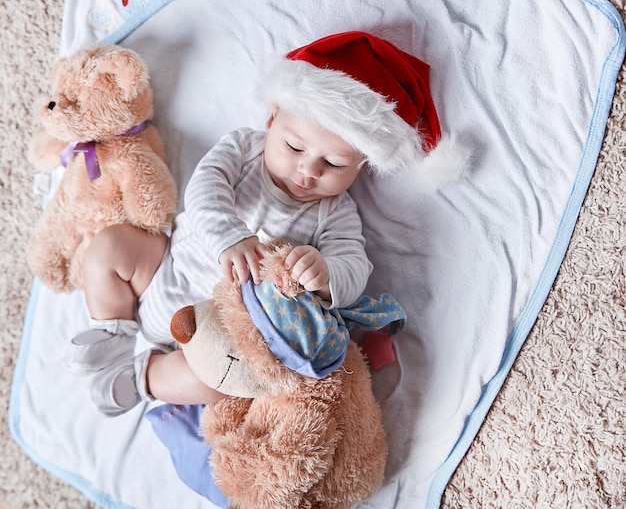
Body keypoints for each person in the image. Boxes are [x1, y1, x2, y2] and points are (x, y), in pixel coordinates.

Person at [64, 31, 469, 416]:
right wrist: (229, 237)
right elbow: (204, 191)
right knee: (110, 246)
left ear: (362, 166)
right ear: (273, 118)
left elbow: (356, 267)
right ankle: (114, 331)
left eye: (334, 164)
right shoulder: (244, 149)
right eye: (294, 146)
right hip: (162, 270)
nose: (308, 170)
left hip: (220, 337)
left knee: (224, 381)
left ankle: (142, 378)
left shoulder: (335, 212)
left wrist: (326, 274)